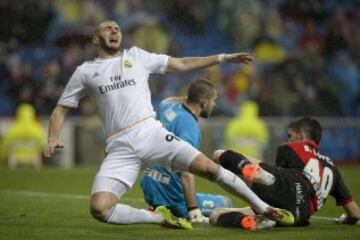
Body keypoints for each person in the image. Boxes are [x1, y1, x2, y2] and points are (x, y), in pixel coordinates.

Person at [44, 20, 294, 230]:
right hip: (119, 147)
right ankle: (158, 217)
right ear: (95, 40)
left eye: (117, 28)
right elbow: (60, 109)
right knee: (99, 208)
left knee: (208, 168)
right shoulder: (85, 72)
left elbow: (182, 64)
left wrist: (223, 57)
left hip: (149, 132)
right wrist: (53, 137)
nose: (114, 31)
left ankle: (266, 209)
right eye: (107, 28)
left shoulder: (136, 57)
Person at [210, 117, 360, 229]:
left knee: (219, 155)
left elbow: (275, 190)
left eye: (290, 135)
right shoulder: (333, 169)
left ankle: (248, 169)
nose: (288, 139)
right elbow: (355, 215)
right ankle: (256, 219)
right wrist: (345, 219)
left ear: (300, 135)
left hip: (286, 185)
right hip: (299, 216)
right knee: (216, 213)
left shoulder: (292, 147)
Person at [141, 79, 232, 223]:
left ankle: (158, 208)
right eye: (213, 100)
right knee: (226, 203)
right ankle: (171, 211)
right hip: (170, 193)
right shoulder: (189, 127)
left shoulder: (168, 108)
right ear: (203, 103)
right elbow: (186, 172)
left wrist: (189, 98)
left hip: (149, 181)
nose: (214, 104)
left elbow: (167, 100)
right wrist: (193, 210)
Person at [1, 103, 46, 169]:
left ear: (18, 114)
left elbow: (5, 145)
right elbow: (43, 145)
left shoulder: (12, 129)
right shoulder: (38, 128)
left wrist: (2, 158)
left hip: (15, 157)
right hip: (33, 156)